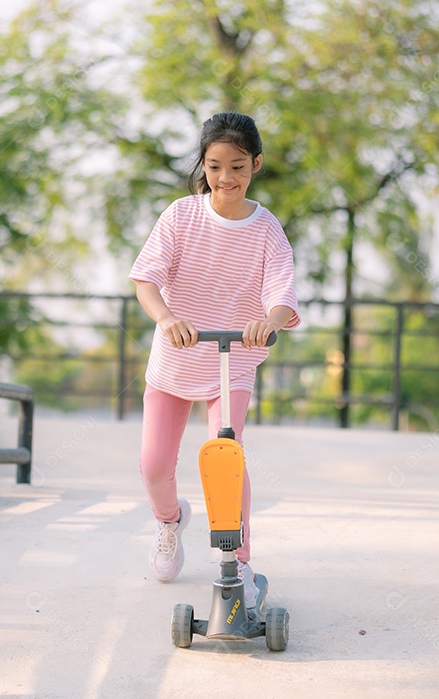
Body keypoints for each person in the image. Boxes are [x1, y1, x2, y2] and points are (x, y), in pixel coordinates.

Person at [128, 112, 300, 608]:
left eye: (238, 166)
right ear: (203, 165)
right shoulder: (181, 215)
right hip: (177, 358)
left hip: (232, 362)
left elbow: (282, 291)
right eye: (215, 166)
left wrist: (269, 320)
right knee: (153, 465)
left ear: (256, 165)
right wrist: (166, 318)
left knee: (226, 456)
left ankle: (239, 562)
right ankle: (168, 521)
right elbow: (146, 279)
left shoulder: (267, 229)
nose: (226, 178)